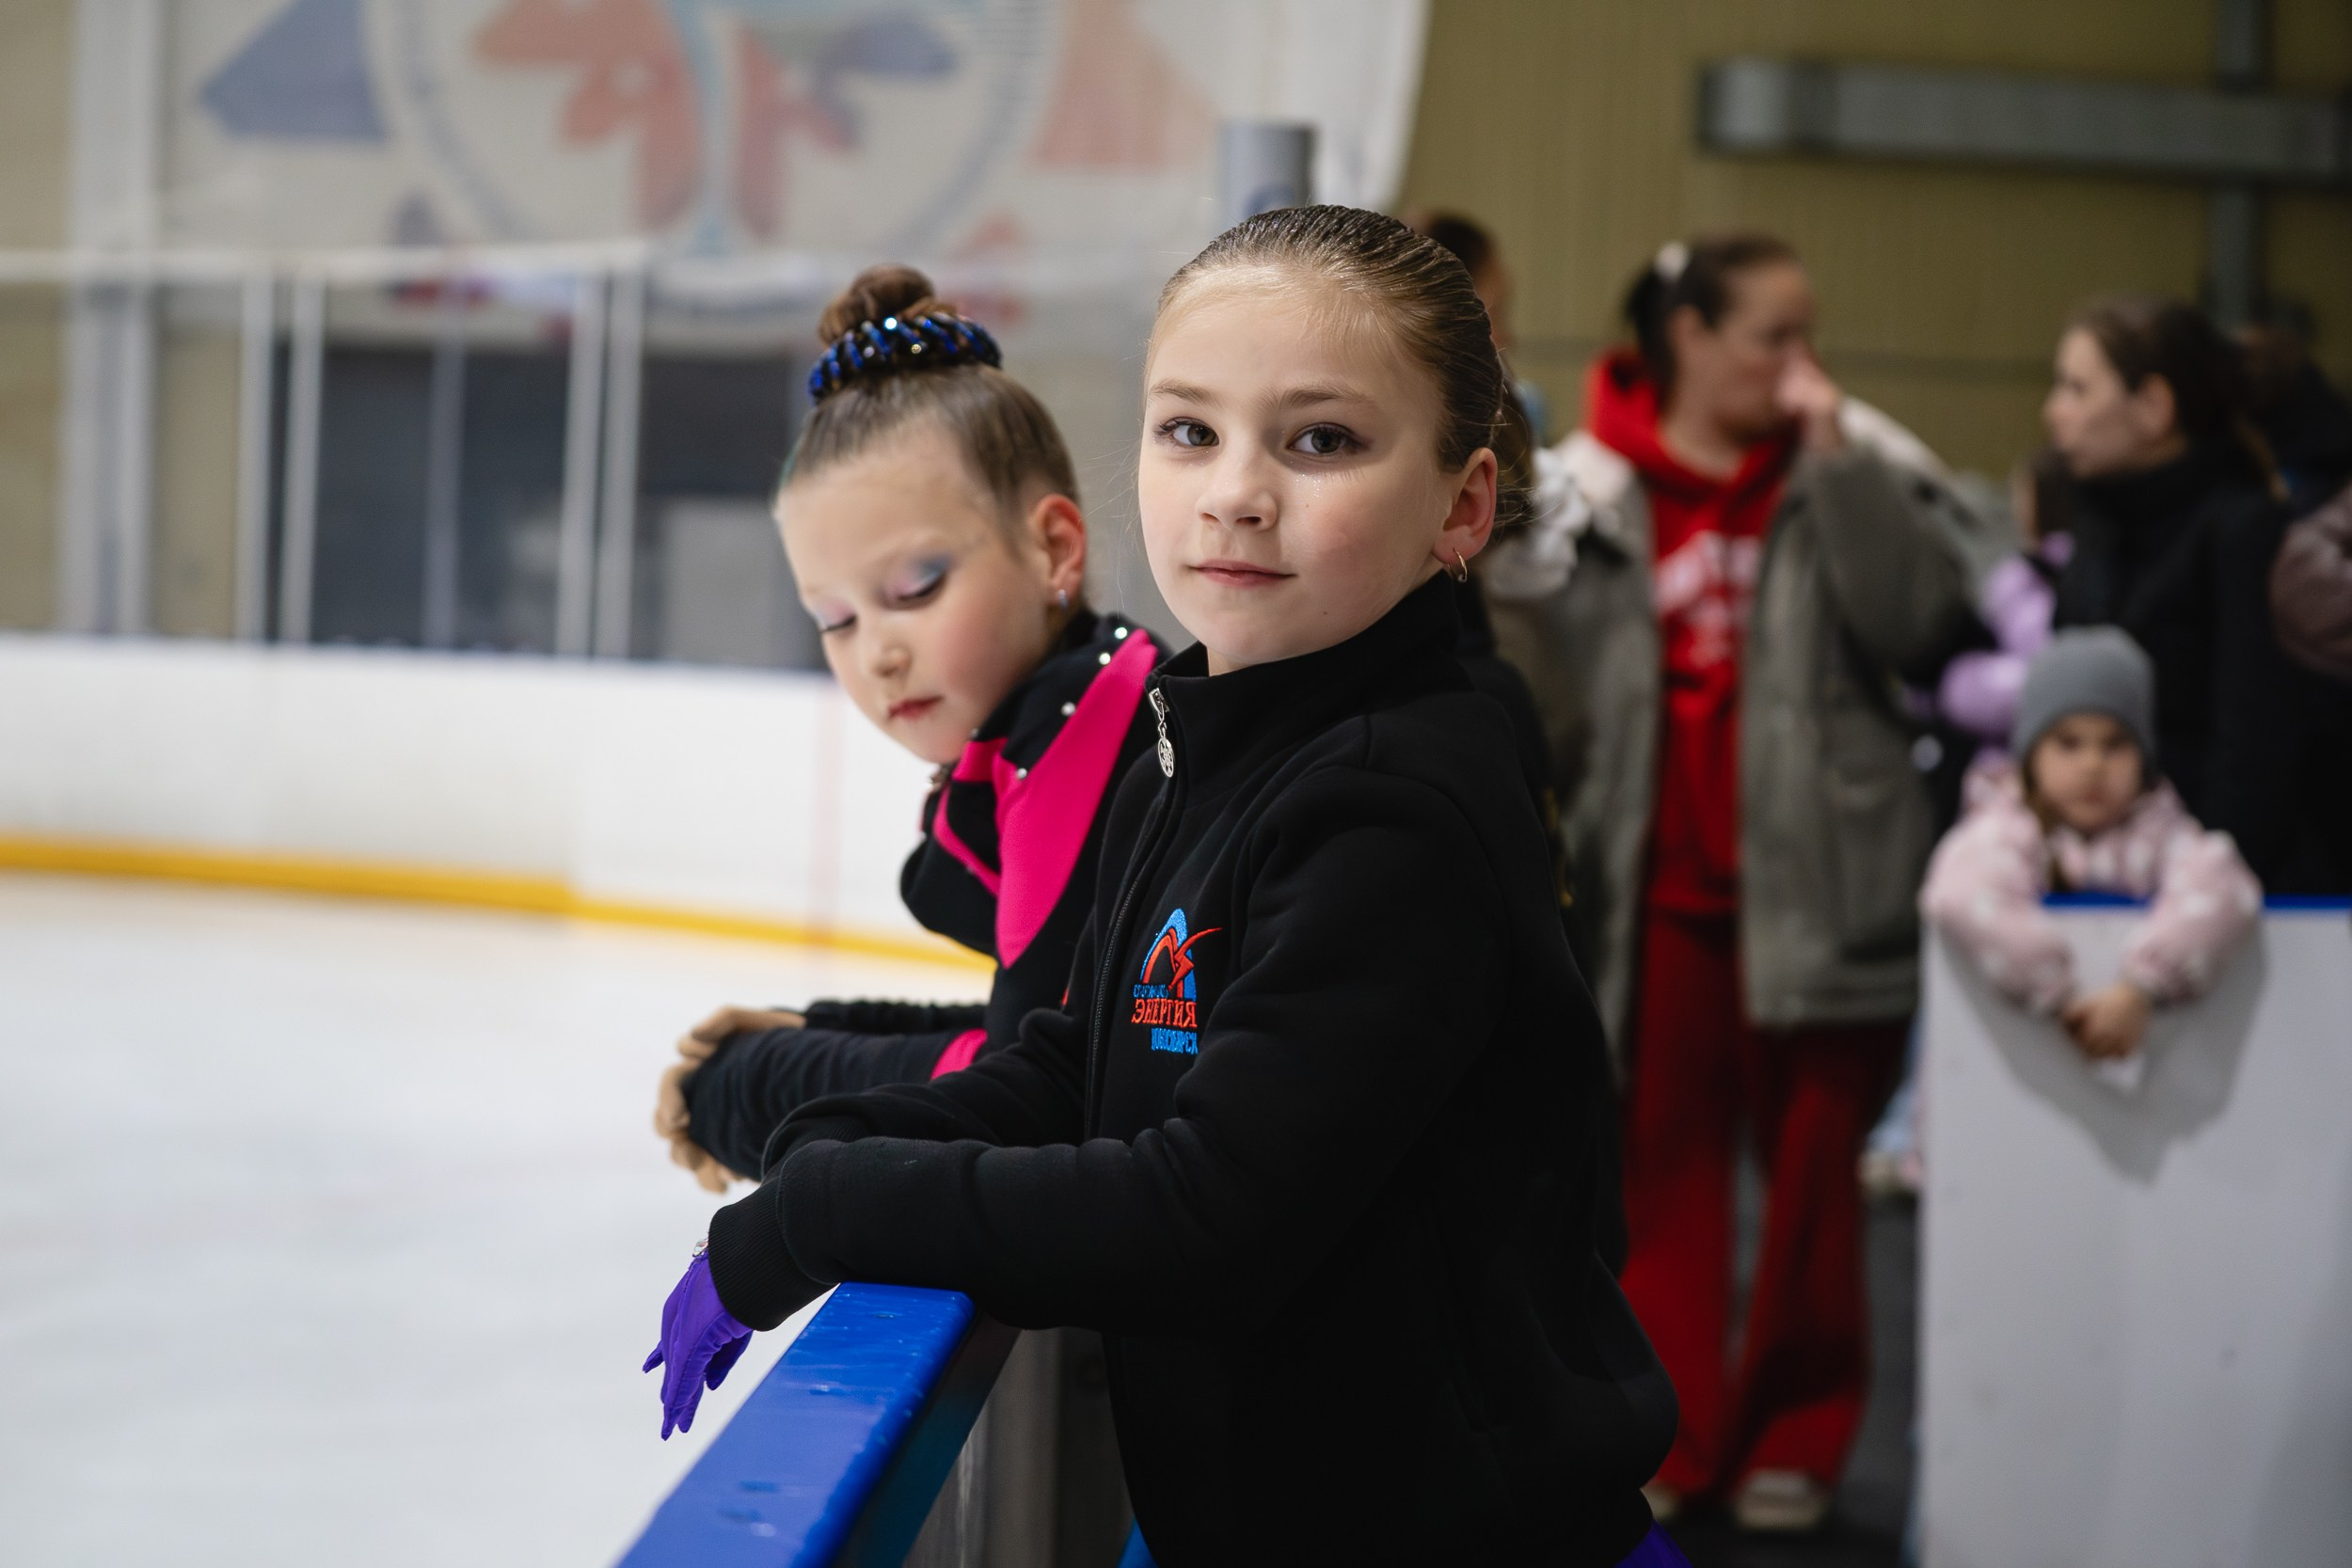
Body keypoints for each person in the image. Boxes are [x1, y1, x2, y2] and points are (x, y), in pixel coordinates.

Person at [644, 206, 1686, 1568]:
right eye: (1191, 429)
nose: (1236, 489)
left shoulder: (1397, 801)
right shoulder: (1199, 739)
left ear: (1462, 507)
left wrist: (824, 1210)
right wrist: (818, 1134)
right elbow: (1075, 1064)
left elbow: (1209, 1212)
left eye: (1322, 440)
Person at [1480, 233, 1980, 1531]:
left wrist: (1842, 466)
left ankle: (1803, 1435)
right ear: (1688, 336)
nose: (1800, 364)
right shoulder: (1589, 491)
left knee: (1821, 1181)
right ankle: (1676, 1433)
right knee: (1661, 1182)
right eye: (1772, 335)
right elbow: (1547, 698)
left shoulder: (1847, 465)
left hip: (1828, 882)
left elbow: (1924, 622)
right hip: (1652, 892)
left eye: (1808, 335)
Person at [651, 264, 1163, 1191]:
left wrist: (748, 1088)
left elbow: (1027, 1100)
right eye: (835, 620)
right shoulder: (1081, 702)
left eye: (916, 588)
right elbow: (1041, 1029)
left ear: (1054, 547)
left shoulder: (1086, 736)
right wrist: (819, 1029)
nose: (877, 653)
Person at [2042, 295, 2310, 886]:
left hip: (2215, 900)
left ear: (2155, 407)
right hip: (2100, 886)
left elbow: (2255, 747)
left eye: (2077, 389)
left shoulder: (2245, 535)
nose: (2054, 412)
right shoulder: (2096, 533)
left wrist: (2203, 891)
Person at [1921, 629, 2261, 1072]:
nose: (2092, 764)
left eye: (2115, 744)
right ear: (2030, 754)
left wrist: (2142, 988)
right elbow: (1963, 892)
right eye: (2069, 743)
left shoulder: (2162, 831)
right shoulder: (2004, 827)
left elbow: (2224, 888)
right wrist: (2059, 994)